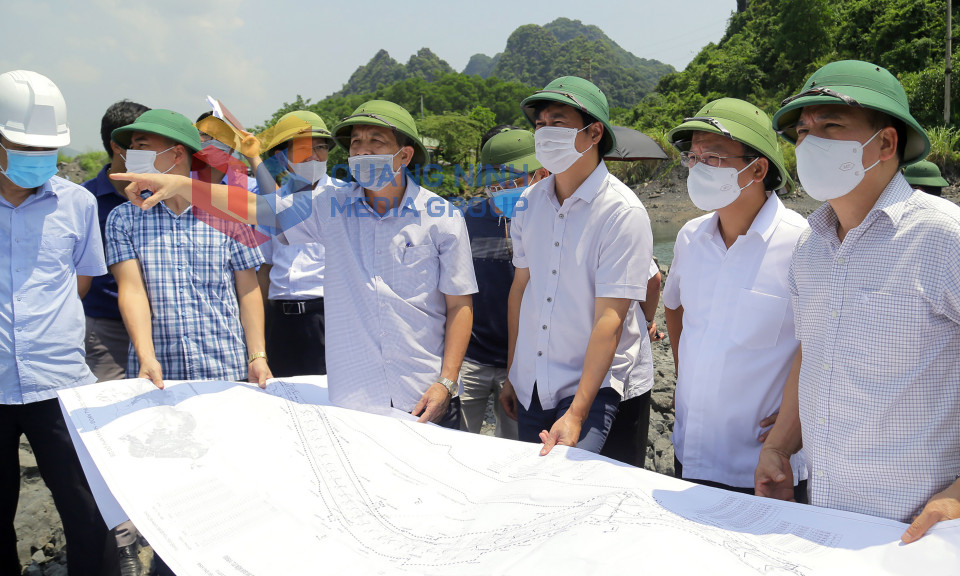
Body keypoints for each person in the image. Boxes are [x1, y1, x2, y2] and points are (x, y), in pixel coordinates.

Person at [109, 100, 477, 428]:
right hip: (355, 400)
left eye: (376, 142)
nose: (362, 151)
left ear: (405, 155)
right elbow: (256, 208)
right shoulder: (329, 207)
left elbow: (459, 305)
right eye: (356, 143)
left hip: (424, 395)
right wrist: (181, 185)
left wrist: (446, 381)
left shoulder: (442, 218)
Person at [754, 60, 960, 543]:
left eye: (831, 126)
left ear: (885, 144)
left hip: (917, 533)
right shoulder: (810, 246)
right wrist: (780, 448)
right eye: (803, 131)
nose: (810, 143)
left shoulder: (942, 236)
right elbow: (814, 354)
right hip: (824, 516)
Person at [0, 69, 116, 575]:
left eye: (47, 148)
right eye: (24, 146)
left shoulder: (78, 203)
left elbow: (81, 282)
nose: (37, 157)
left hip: (59, 382)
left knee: (85, 510)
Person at [661, 98, 808, 497]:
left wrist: (797, 417)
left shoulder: (802, 244)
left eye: (712, 157)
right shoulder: (690, 238)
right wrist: (684, 375)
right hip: (690, 450)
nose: (698, 167)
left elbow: (822, 342)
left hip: (761, 465)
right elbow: (674, 306)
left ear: (757, 169)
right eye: (693, 157)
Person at [501, 76, 654, 455]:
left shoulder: (622, 212)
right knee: (535, 483)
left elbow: (611, 318)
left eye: (558, 122)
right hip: (533, 382)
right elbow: (521, 289)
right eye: (540, 125)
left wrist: (577, 413)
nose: (544, 133)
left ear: (594, 133)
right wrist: (513, 372)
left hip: (592, 386)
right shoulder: (527, 203)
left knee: (579, 482)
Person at [106, 109, 272, 389]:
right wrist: (146, 356)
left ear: (177, 154)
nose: (133, 154)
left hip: (226, 366)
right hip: (159, 372)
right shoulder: (124, 218)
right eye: (131, 147)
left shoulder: (228, 211)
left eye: (142, 146)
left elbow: (247, 288)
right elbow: (132, 290)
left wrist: (257, 355)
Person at [459, 127, 547, 438]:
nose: (504, 188)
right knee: (456, 441)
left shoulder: (550, 221)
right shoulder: (465, 221)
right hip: (471, 357)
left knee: (517, 447)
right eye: (496, 182)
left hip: (526, 359)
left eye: (514, 179)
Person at [257, 111, 335, 376]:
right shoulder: (271, 206)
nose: (313, 156)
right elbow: (265, 268)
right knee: (280, 395)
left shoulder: (345, 198)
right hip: (280, 321)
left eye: (320, 147)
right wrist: (260, 332)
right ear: (282, 157)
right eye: (303, 149)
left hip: (328, 316)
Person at [599, 259, 660, 467]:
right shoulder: (623, 236)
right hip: (627, 366)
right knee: (626, 469)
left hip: (571, 373)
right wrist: (647, 320)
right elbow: (653, 280)